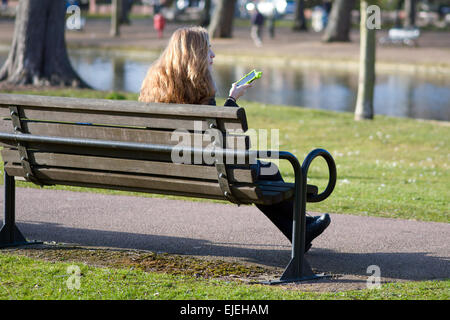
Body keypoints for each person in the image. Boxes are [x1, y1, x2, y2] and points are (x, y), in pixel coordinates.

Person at [139, 27, 331, 252]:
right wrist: (232, 99)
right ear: (195, 55)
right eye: (208, 50)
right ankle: (302, 226)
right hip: (208, 170)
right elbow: (218, 138)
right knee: (266, 171)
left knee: (261, 172)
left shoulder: (155, 82)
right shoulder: (199, 88)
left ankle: (301, 229)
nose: (213, 55)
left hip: (168, 166)